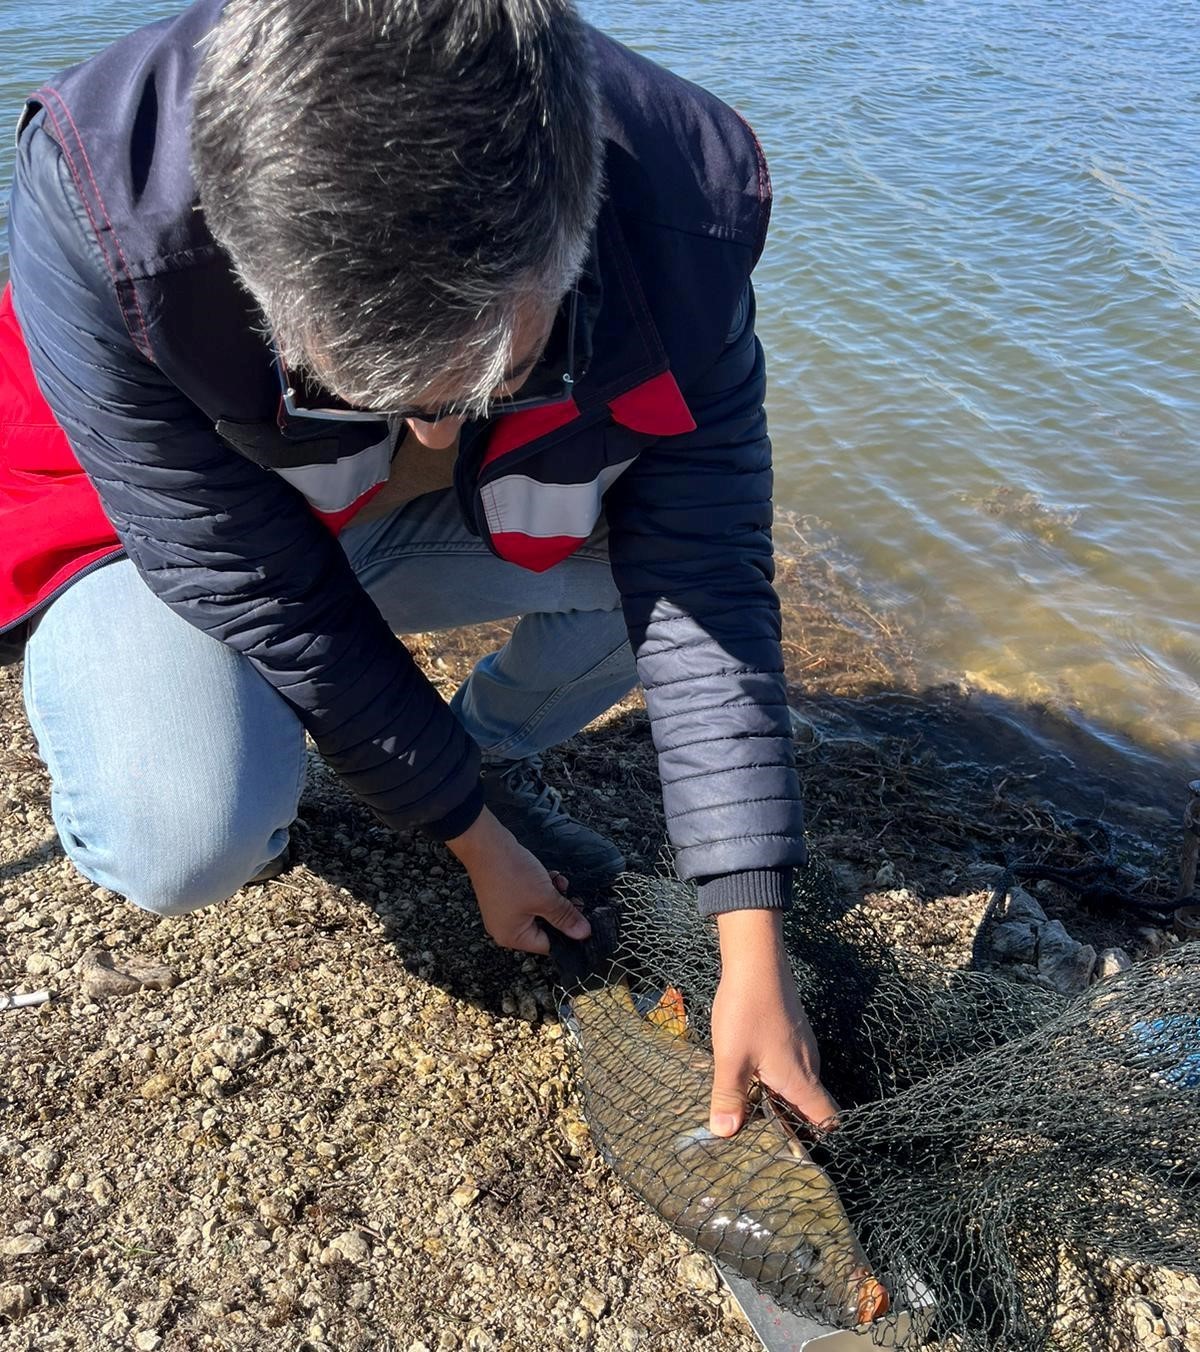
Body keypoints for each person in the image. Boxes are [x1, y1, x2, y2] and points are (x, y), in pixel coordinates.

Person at [0, 0, 839, 1136]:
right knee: (185, 833)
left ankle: (486, 739)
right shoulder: (103, 209)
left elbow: (707, 563)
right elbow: (258, 583)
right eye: (381, 392)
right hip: (166, 524)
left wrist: (752, 934)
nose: (436, 438)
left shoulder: (684, 208)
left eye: (487, 379)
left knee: (650, 580)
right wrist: (470, 836)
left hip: (363, 506)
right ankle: (211, 730)